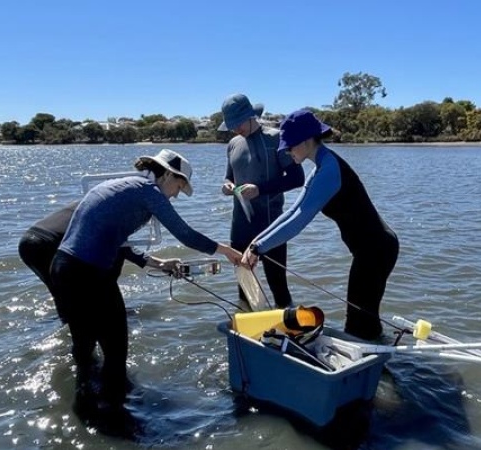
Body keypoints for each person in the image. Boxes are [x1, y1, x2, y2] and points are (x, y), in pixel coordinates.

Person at [50, 149, 242, 405]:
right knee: (116, 351)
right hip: (89, 275)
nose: (174, 195)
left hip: (64, 268)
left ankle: (85, 410)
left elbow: (117, 239)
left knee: (84, 351)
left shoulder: (122, 186)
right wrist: (226, 250)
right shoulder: (149, 192)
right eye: (178, 187)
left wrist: (155, 262)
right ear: (168, 176)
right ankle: (121, 417)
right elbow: (185, 234)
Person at [241, 110, 399, 341]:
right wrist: (256, 243)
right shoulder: (320, 166)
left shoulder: (330, 169)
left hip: (376, 250)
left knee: (360, 322)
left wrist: (258, 249)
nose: (286, 151)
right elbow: (292, 212)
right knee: (361, 319)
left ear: (306, 141)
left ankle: (377, 368)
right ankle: (379, 362)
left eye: (290, 146)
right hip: (369, 250)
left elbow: (299, 221)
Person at [219, 93, 304, 308]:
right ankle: (250, 331)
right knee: (244, 286)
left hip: (271, 226)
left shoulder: (276, 138)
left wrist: (260, 189)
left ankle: (290, 330)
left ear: (251, 116)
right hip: (240, 226)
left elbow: (297, 178)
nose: (236, 130)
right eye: (231, 126)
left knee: (278, 285)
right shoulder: (233, 144)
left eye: (238, 124)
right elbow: (230, 175)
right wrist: (227, 185)